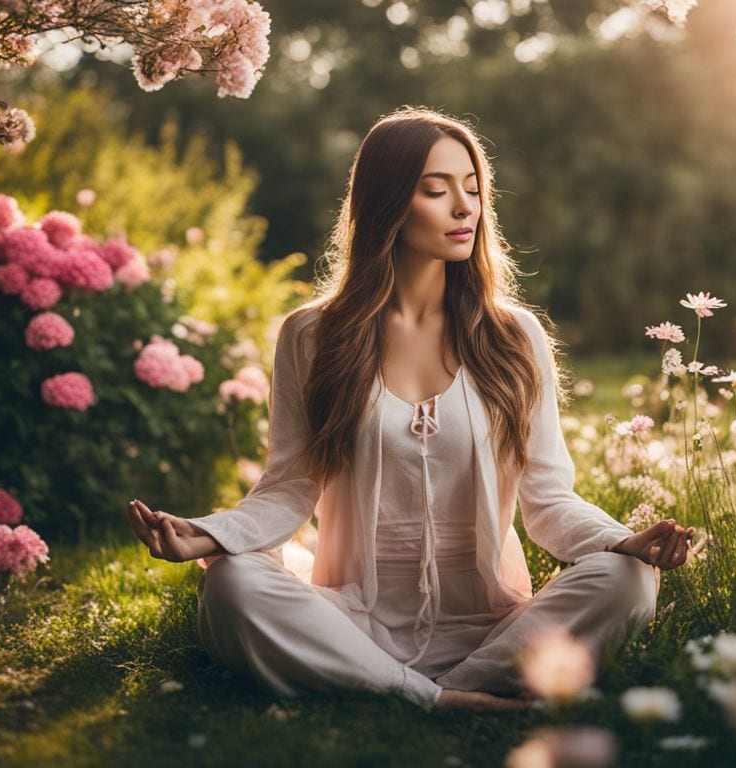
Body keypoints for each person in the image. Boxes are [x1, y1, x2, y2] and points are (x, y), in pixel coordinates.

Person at [125, 106, 697, 712]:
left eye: (473, 190)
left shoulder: (514, 336)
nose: (464, 208)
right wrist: (210, 536)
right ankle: (437, 697)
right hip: (350, 617)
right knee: (232, 583)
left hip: (493, 625)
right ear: (388, 203)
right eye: (436, 190)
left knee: (627, 579)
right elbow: (288, 488)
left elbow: (548, 501)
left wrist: (622, 542)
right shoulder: (312, 335)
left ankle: (423, 684)